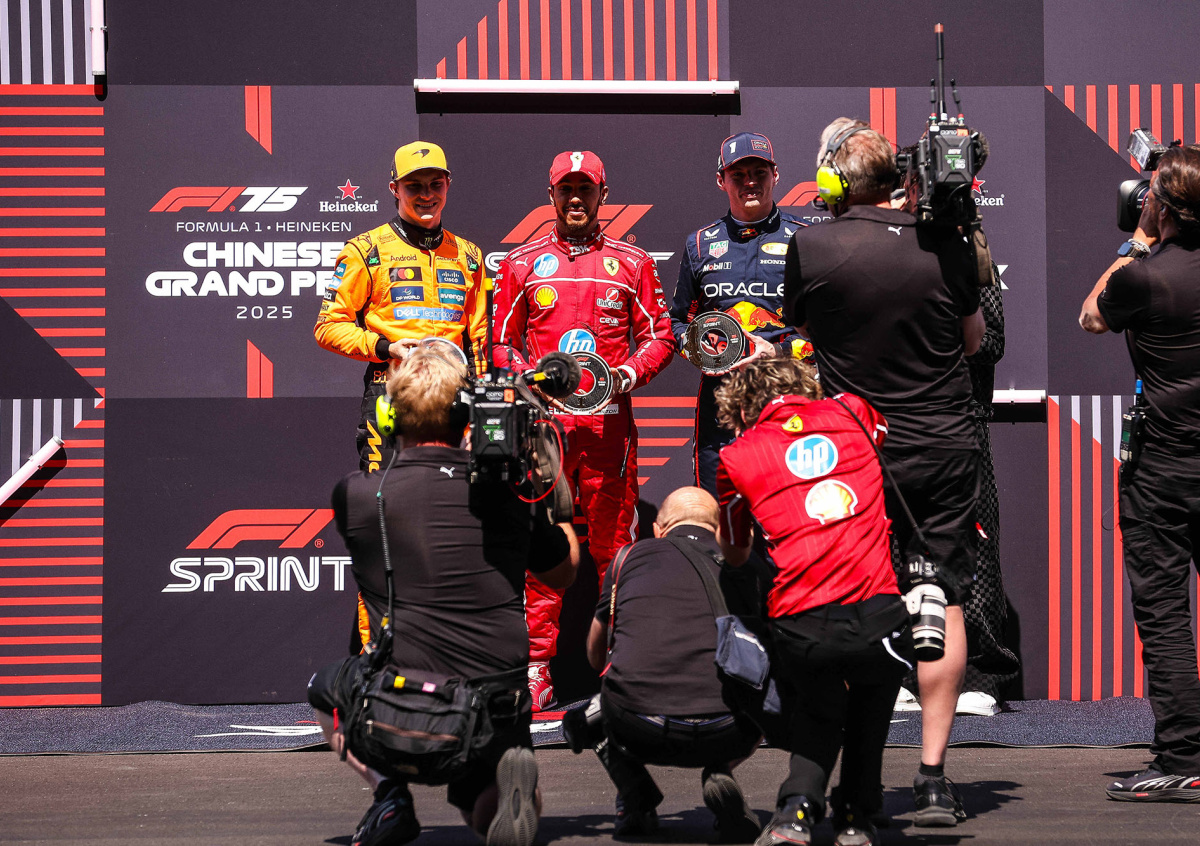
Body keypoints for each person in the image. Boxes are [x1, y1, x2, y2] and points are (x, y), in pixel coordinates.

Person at [783, 118, 984, 826]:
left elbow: (802, 335)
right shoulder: (949, 244)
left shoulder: (811, 245)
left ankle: (833, 775)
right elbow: (974, 343)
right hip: (942, 448)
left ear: (833, 183)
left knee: (845, 600)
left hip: (856, 451)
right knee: (942, 599)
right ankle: (931, 778)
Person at [307, 347, 580, 846]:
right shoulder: (510, 494)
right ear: (466, 416)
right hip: (494, 703)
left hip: (399, 704)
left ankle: (389, 793)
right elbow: (563, 574)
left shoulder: (357, 497)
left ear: (389, 417)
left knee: (325, 687)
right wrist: (551, 490)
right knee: (480, 805)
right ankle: (499, 785)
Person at [492, 150, 676, 710]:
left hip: (607, 430)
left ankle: (624, 661)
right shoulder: (522, 262)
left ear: (602, 194)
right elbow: (499, 344)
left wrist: (626, 375)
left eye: (586, 189)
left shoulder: (633, 262)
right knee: (543, 547)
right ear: (551, 195)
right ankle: (536, 668)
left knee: (616, 548)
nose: (576, 198)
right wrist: (532, 379)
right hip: (545, 432)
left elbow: (662, 336)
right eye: (566, 189)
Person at [715, 357, 914, 846]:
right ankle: (856, 818)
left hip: (801, 616)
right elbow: (887, 440)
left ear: (741, 409)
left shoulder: (736, 456)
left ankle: (795, 814)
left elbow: (736, 553)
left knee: (820, 712)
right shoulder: (853, 413)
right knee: (870, 709)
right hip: (877, 606)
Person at [1079, 145, 1200, 802]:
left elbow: (1091, 315)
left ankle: (1184, 756)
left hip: (1164, 471)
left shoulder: (1142, 276)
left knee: (1165, 613)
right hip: (1168, 463)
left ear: (1164, 208)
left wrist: (1140, 240)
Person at [577, 487, 763, 840]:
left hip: (640, 727)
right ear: (720, 530)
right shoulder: (746, 564)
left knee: (585, 717)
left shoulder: (626, 558)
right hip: (730, 730)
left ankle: (635, 798)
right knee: (766, 695)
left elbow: (595, 656)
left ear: (658, 529)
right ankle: (721, 770)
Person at [315, 141, 488, 475]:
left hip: (454, 396)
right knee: (386, 497)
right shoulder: (366, 250)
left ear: (448, 184)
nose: (427, 195)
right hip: (392, 390)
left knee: (453, 496)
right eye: (414, 186)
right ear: (395, 189)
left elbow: (480, 337)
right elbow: (328, 326)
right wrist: (386, 347)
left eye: (435, 184)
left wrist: (482, 393)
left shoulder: (469, 255)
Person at [669, 132, 812, 495]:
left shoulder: (806, 240)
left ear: (775, 175)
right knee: (717, 506)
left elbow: (831, 329)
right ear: (722, 180)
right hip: (721, 397)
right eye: (738, 174)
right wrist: (698, 349)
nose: (750, 182)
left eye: (759, 173)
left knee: (790, 505)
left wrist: (779, 351)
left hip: (788, 390)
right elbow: (676, 322)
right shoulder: (699, 243)